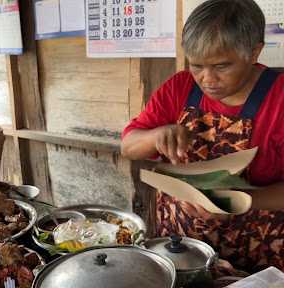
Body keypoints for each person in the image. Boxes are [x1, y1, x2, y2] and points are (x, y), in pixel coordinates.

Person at [121, 0, 284, 274]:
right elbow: (128, 147)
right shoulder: (179, 87)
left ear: (254, 51)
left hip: (258, 251)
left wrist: (239, 201)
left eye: (222, 66)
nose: (207, 79)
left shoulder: (278, 100)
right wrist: (156, 136)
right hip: (181, 242)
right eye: (197, 65)